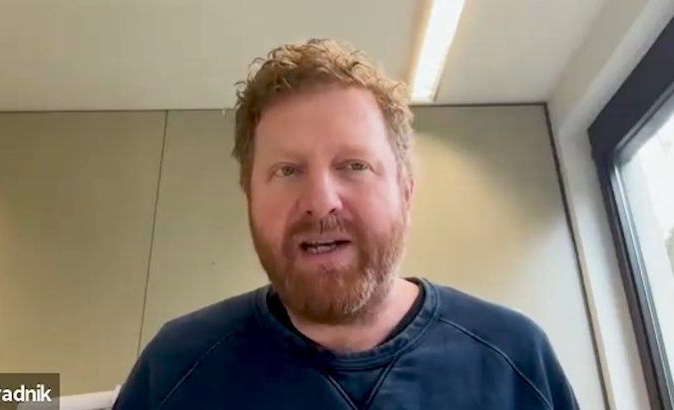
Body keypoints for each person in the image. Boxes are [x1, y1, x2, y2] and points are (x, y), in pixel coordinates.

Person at [113, 39, 578, 409]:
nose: (320, 202)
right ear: (250, 198)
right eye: (287, 171)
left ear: (406, 192)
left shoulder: (516, 360)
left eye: (354, 166)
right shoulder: (174, 370)